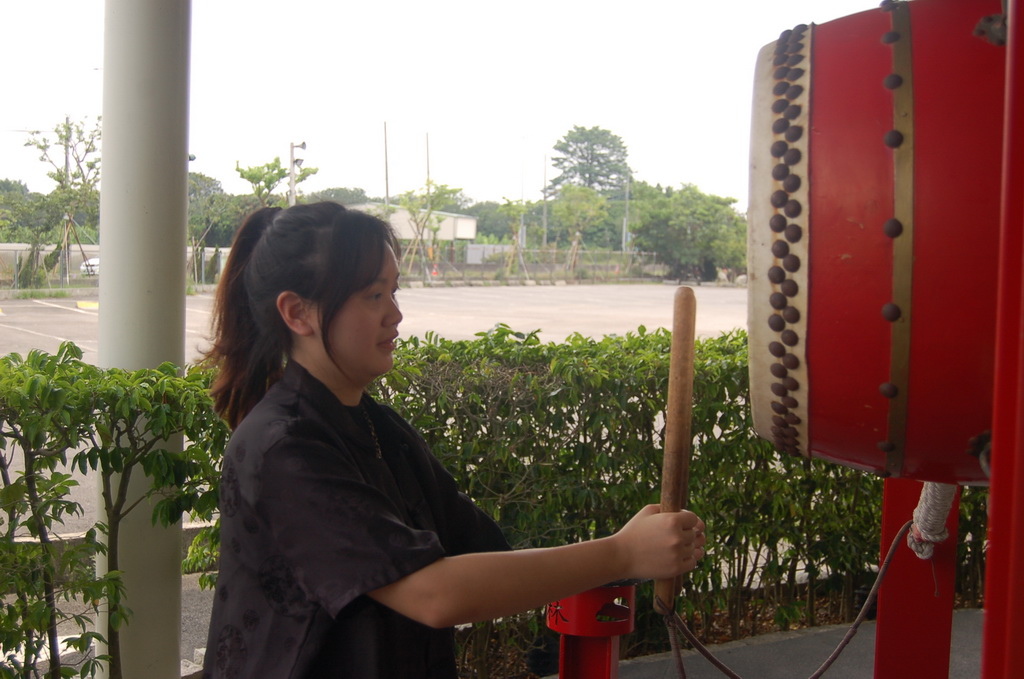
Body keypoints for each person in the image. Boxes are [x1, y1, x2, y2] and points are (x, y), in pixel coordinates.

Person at [201, 202, 706, 678]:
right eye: (373, 295)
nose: (394, 314)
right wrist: (620, 554)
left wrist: (635, 554)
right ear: (298, 313)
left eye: (394, 292)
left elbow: (483, 549)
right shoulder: (282, 448)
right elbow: (435, 594)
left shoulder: (378, 428)